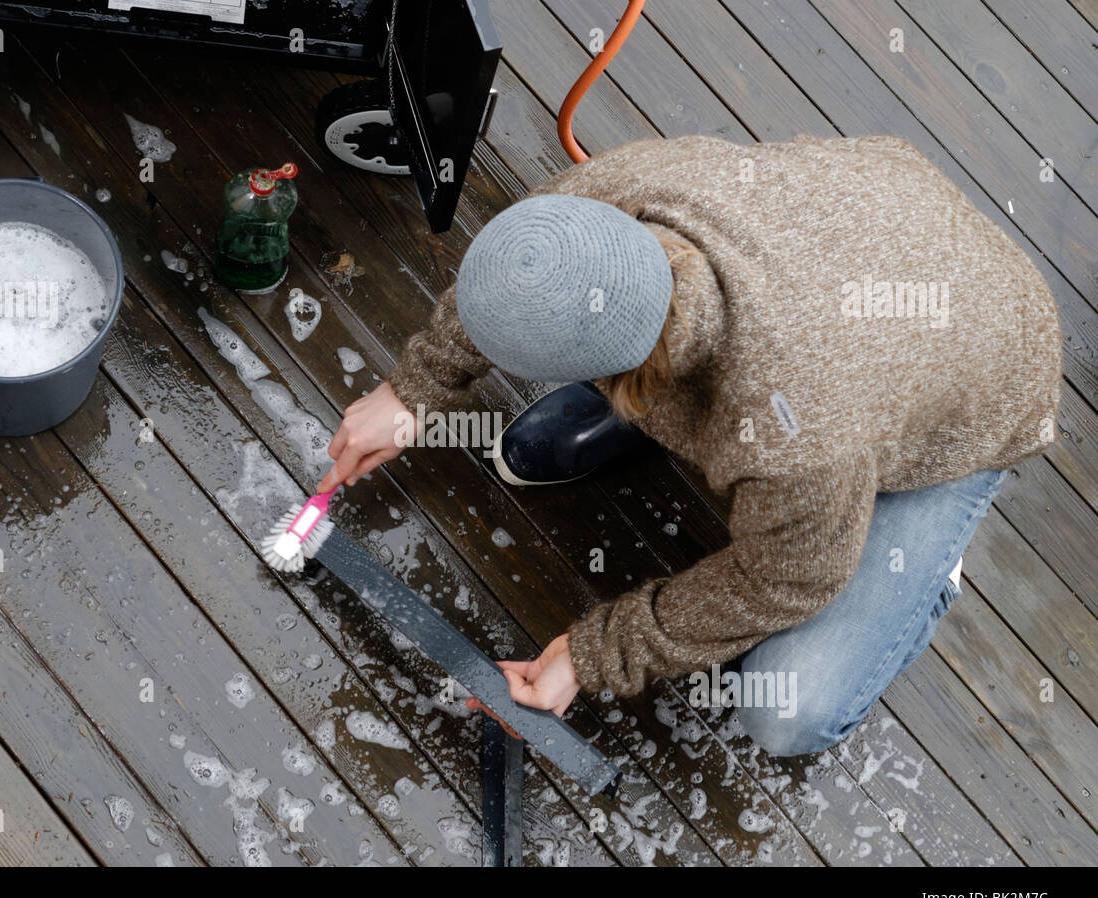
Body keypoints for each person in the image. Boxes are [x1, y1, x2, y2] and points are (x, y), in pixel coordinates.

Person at [317, 134, 1062, 756]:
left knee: (787, 713)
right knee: (753, 439)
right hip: (879, 218)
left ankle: (925, 559)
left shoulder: (797, 423)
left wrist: (595, 652)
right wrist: (413, 392)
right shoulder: (603, 204)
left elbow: (788, 580)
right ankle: (663, 413)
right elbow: (516, 269)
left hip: (971, 391)